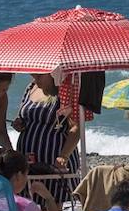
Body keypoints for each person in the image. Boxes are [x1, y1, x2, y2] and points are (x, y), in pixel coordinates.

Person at [12, 73, 80, 203]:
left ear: (52, 73)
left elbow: (75, 128)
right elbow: (24, 115)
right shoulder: (31, 87)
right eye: (33, 75)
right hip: (29, 160)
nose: (35, 79)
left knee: (55, 204)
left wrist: (63, 156)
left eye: (39, 76)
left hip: (55, 161)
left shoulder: (65, 90)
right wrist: (19, 123)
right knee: (31, 205)